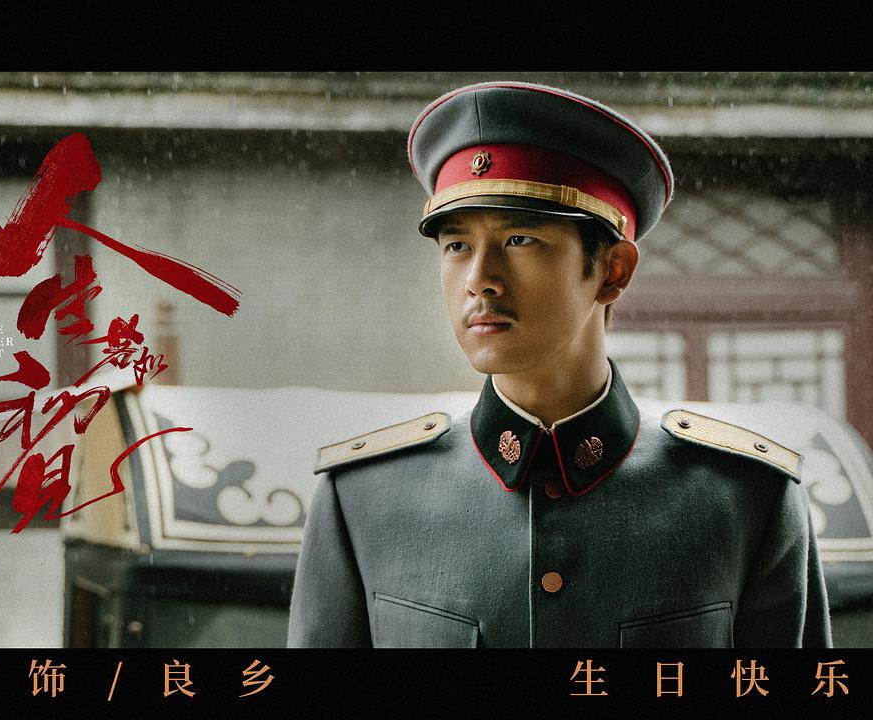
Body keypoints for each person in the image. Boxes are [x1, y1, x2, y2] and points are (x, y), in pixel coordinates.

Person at [286, 81, 832, 648]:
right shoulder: (365, 498)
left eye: (520, 239)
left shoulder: (744, 498)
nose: (479, 281)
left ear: (613, 271)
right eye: (457, 246)